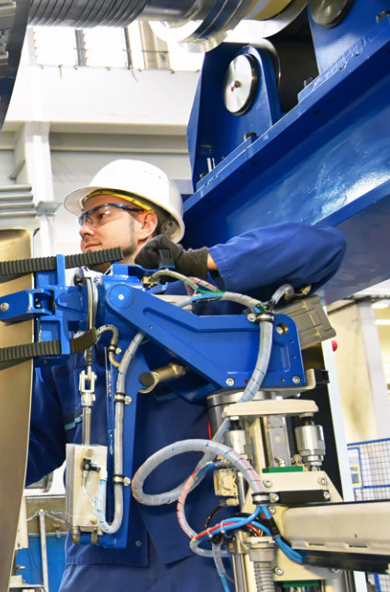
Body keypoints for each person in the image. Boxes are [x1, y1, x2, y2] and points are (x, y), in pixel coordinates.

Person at [26, 159, 347, 591]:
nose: (84, 229)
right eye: (83, 219)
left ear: (146, 223)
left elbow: (323, 247)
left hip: (202, 549)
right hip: (99, 557)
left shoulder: (205, 303)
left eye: (100, 215)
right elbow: (29, 453)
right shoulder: (74, 340)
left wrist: (202, 263)